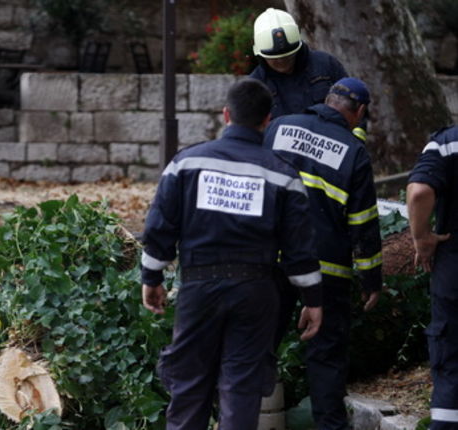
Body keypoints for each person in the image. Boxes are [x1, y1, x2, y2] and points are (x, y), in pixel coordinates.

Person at [141, 78, 323, 429]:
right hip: (255, 292)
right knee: (241, 389)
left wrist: (151, 276)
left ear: (226, 114)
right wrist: (313, 300)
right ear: (267, 120)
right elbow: (300, 249)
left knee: (189, 385)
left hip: (199, 288)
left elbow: (160, 226)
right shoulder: (283, 175)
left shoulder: (187, 163)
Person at [263, 77, 382, 429]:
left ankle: (234, 417)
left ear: (327, 100)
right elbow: (362, 223)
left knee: (255, 347)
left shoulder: (280, 127)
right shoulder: (354, 151)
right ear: (360, 112)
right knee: (326, 357)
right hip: (325, 271)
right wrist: (371, 279)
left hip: (272, 261)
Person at [407, 125, 458, 429]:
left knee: (450, 355)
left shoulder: (448, 143)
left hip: (454, 264)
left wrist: (422, 237)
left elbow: (419, 192)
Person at [249, 8, 360, 138]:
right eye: (275, 58)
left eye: (287, 56)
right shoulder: (254, 87)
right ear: (261, 55)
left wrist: (355, 141)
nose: (281, 61)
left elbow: (355, 106)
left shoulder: (326, 65)